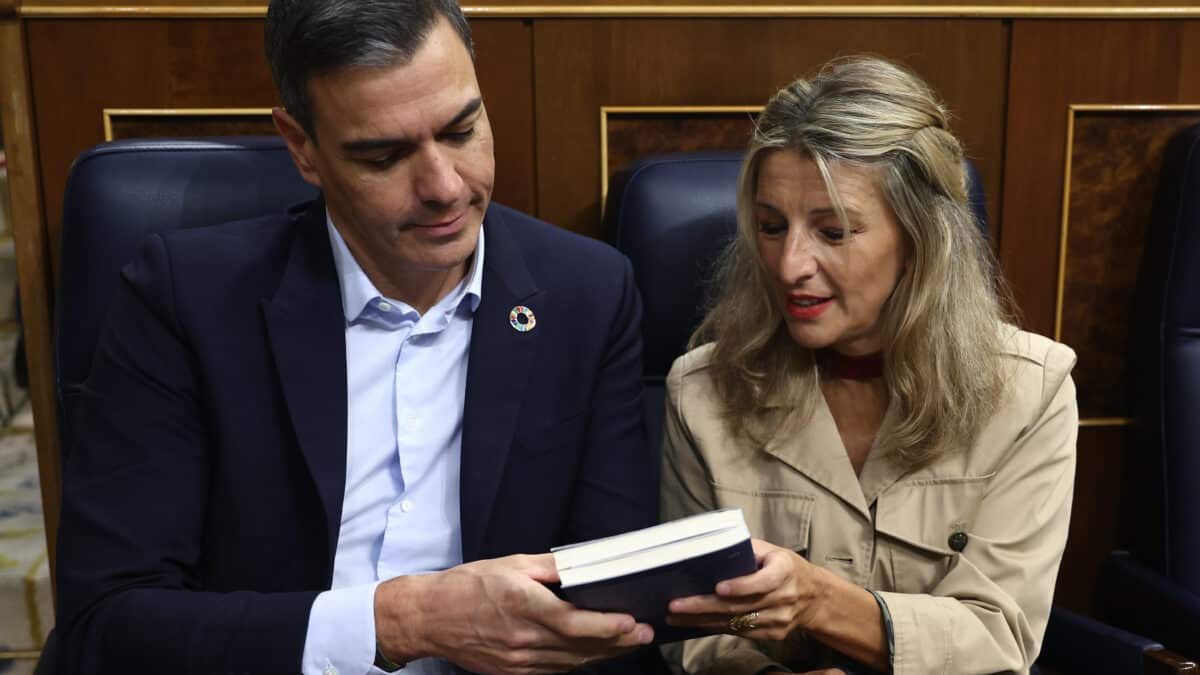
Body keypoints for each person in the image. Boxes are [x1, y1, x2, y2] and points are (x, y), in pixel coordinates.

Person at [51, 1, 661, 673]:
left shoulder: (588, 296)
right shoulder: (184, 300)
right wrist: (401, 619)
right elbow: (105, 625)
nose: (444, 187)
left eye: (462, 130)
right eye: (384, 155)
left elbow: (616, 612)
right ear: (302, 148)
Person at [659, 56, 1077, 675]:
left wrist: (819, 601)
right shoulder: (700, 393)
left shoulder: (1031, 391)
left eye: (833, 232)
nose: (789, 264)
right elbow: (690, 630)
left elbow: (1000, 631)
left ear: (919, 241)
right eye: (772, 227)